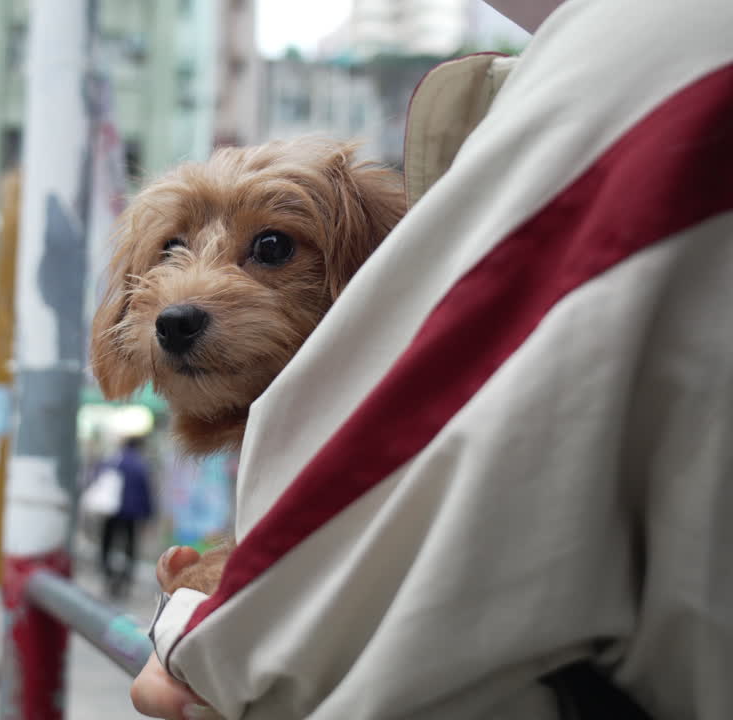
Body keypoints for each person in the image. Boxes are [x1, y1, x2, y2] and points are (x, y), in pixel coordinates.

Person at [131, 0, 733, 718]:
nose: (182, 300)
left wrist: (195, 626)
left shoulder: (648, 66)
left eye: (272, 249)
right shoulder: (571, 81)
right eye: (170, 249)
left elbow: (278, 664)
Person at [99, 434, 155, 599]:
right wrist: (148, 516)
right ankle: (125, 579)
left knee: (107, 544)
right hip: (132, 514)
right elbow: (146, 493)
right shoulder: (141, 464)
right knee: (130, 547)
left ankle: (108, 575)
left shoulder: (113, 460)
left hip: (110, 510)